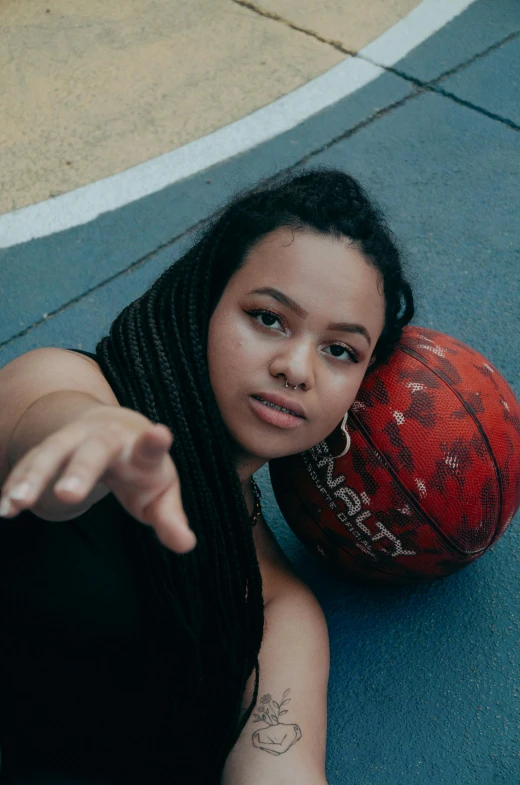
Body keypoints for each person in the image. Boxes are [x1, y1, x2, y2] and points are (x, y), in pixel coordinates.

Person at [0, 168, 414, 784]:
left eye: (340, 350)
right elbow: (39, 423)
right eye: (269, 318)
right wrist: (87, 436)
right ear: (204, 302)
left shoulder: (278, 607)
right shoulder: (67, 382)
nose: (296, 367)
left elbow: (280, 766)